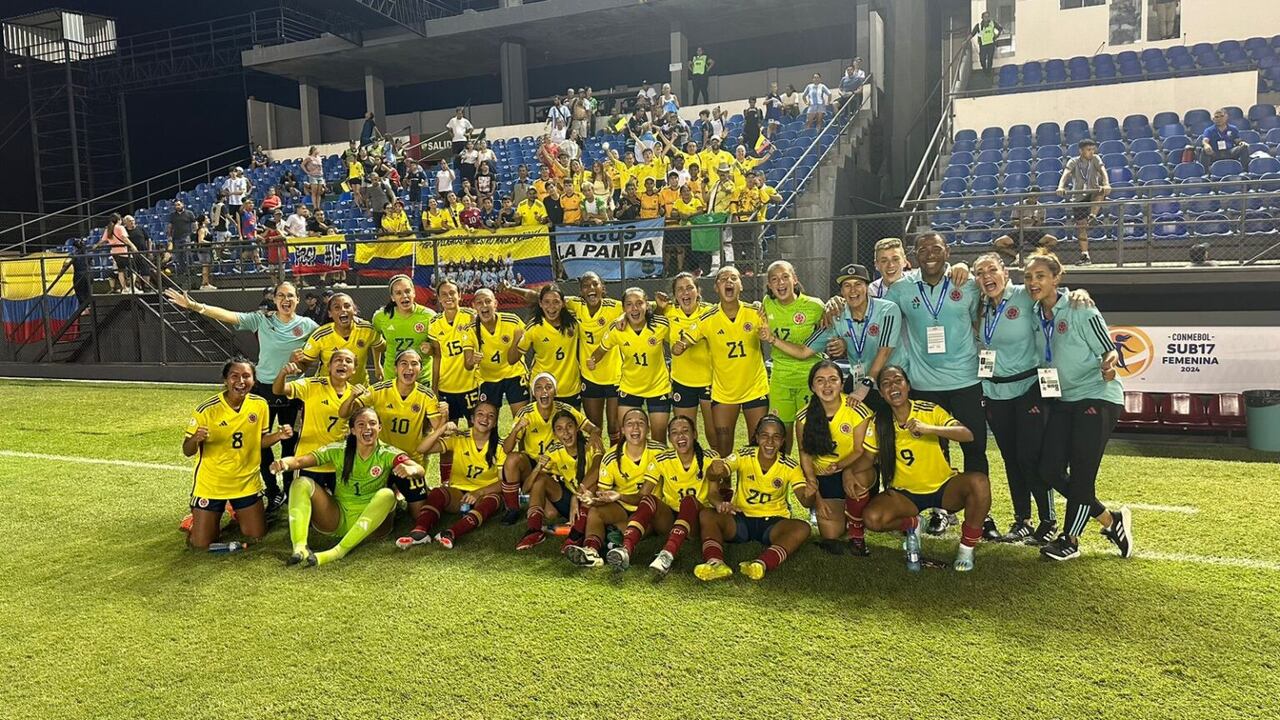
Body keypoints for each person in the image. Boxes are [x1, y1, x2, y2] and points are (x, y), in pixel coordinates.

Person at [165, 282, 318, 511]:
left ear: (298, 299)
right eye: (281, 296)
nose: (286, 300)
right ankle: (273, 492)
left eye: (291, 296)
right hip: (263, 391)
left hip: (292, 393)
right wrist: (195, 306)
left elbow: (322, 351)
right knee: (260, 444)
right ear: (275, 299)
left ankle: (290, 492)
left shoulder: (308, 325)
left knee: (290, 444)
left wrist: (305, 362)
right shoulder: (262, 320)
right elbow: (230, 316)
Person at [882, 233, 994, 537]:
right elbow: (877, 310)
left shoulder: (967, 284)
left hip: (966, 380)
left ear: (948, 252)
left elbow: (979, 319)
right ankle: (941, 512)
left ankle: (980, 514)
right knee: (935, 450)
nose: (929, 254)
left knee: (974, 448)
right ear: (913, 256)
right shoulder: (901, 288)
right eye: (922, 250)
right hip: (924, 382)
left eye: (936, 248)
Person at [1025, 251, 1133, 562]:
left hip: (1097, 395)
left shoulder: (1079, 307)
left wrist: (1109, 365)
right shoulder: (1034, 313)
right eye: (1029, 277)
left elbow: (1109, 349)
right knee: (1048, 468)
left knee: (1083, 473)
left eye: (1041, 276)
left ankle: (1070, 540)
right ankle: (1110, 521)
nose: (1034, 282)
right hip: (1064, 399)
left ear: (1056, 279)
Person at [856, 366, 992, 572]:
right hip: (905, 494)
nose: (893, 385)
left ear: (908, 386)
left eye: (898, 380)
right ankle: (912, 523)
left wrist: (929, 429)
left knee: (979, 482)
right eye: (886, 383)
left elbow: (967, 434)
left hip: (943, 488)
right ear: (882, 394)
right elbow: (867, 458)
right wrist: (849, 473)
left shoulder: (928, 409)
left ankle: (966, 549)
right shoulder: (879, 422)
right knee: (873, 518)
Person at [970, 254, 1060, 543]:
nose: (987, 277)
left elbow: (1054, 295)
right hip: (995, 392)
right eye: (980, 272)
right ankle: (1022, 519)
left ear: (1005, 272)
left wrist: (1078, 296)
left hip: (1028, 388)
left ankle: (1049, 521)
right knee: (1011, 458)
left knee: (1029, 456)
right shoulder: (980, 304)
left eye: (992, 270)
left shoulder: (1024, 296)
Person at [274, 407, 425, 566]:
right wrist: (284, 463)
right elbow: (299, 461)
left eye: (372, 423)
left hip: (372, 526)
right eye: (361, 424)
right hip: (337, 518)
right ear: (352, 430)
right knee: (300, 483)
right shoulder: (339, 449)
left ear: (379, 428)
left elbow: (419, 470)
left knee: (387, 494)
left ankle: (338, 551)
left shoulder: (388, 453)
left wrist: (411, 469)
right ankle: (299, 547)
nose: (367, 428)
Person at [182, 358, 293, 549]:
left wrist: (279, 436)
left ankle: (235, 510)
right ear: (225, 380)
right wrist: (195, 439)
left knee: (257, 535)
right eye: (234, 376)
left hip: (245, 481)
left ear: (253, 380)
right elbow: (187, 450)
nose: (241, 381)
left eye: (246, 376)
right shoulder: (207, 410)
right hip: (212, 484)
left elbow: (259, 442)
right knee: (201, 544)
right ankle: (193, 520)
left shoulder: (260, 405)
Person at [693, 415, 814, 581]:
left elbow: (805, 501)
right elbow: (716, 474)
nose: (770, 442)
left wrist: (810, 494)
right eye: (765, 436)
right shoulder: (744, 455)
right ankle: (715, 563)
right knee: (707, 514)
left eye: (776, 437)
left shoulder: (790, 466)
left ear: (783, 440)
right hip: (741, 518)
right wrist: (715, 469)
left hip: (772, 523)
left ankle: (760, 564)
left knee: (802, 528)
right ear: (757, 437)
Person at [672, 266, 770, 458]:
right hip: (724, 393)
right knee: (722, 446)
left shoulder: (755, 312)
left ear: (741, 285)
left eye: (734, 278)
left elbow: (775, 324)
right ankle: (724, 487)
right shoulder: (707, 318)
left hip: (755, 388)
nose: (728, 282)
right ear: (716, 287)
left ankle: (752, 486)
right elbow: (689, 336)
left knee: (756, 443)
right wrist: (681, 345)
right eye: (723, 279)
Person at [397, 401, 506, 548]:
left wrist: (478, 492)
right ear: (472, 419)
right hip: (458, 494)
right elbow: (422, 449)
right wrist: (441, 429)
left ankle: (451, 533)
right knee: (438, 492)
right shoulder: (460, 437)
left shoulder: (500, 446)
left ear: (494, 423)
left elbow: (503, 483)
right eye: (480, 414)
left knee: (492, 500)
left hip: (484, 494)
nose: (485, 418)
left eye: (490, 416)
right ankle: (420, 532)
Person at [566, 408, 666, 568]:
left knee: (638, 518)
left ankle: (618, 540)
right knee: (595, 512)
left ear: (649, 429)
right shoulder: (611, 457)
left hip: (653, 513)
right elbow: (604, 496)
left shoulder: (661, 452)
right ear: (622, 430)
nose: (635, 428)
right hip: (623, 508)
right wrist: (592, 499)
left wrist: (618, 496)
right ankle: (591, 551)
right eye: (630, 424)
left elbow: (642, 497)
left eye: (640, 423)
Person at [795, 360, 875, 555]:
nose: (827, 385)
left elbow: (860, 452)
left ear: (842, 382)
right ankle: (842, 511)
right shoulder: (803, 416)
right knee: (831, 534)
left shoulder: (857, 410)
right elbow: (805, 454)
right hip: (823, 476)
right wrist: (817, 496)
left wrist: (845, 469)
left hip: (853, 468)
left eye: (833, 379)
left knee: (858, 480)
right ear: (812, 386)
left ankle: (856, 523)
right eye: (820, 381)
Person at [776, 263, 901, 387]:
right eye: (847, 285)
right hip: (860, 382)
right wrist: (771, 339)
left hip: (889, 382)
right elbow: (803, 352)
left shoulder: (887, 310)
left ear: (867, 287)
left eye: (858, 284)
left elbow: (884, 352)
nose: (853, 290)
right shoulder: (836, 316)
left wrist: (866, 384)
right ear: (841, 291)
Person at [500, 373, 600, 525]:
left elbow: (594, 429)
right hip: (534, 464)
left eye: (548, 387)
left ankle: (543, 498)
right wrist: (515, 430)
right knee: (513, 458)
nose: (544, 392)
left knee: (551, 513)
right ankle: (513, 508)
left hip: (555, 467)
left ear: (555, 391)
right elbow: (507, 449)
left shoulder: (565, 410)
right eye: (539, 388)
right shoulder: (526, 412)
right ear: (534, 393)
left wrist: (594, 435)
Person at [756, 260, 826, 451]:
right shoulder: (766, 304)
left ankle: (809, 479)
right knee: (780, 436)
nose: (780, 283)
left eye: (785, 277)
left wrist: (771, 339)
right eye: (774, 279)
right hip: (781, 379)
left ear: (794, 279)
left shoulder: (815, 306)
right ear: (769, 285)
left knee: (808, 435)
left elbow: (830, 329)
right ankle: (782, 477)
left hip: (809, 379)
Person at [592, 287, 673, 443]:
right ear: (623, 308)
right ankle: (630, 467)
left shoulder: (661, 325)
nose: (634, 308)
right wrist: (593, 360)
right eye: (629, 304)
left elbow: (677, 337)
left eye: (639, 303)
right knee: (627, 436)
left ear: (647, 306)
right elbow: (602, 349)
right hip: (630, 387)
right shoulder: (617, 329)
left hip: (658, 387)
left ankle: (657, 467)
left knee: (659, 439)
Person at [517, 409, 604, 551]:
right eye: (559, 429)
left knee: (592, 486)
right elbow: (526, 489)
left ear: (577, 428)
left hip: (592, 502)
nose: (566, 432)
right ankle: (534, 531)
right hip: (571, 505)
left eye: (569, 426)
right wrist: (538, 467)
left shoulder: (591, 443)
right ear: (555, 434)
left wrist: (576, 496)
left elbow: (596, 470)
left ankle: (576, 534)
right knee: (541, 480)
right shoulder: (554, 450)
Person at [274, 349, 358, 494]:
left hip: (338, 462)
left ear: (354, 370)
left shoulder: (356, 393)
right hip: (307, 460)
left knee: (338, 508)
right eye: (338, 360)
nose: (343, 364)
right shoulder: (311, 385)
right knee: (306, 506)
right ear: (329, 366)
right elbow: (278, 390)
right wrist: (283, 374)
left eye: (348, 361)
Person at [656, 272, 716, 444]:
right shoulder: (668, 312)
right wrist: (659, 308)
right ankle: (688, 469)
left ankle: (716, 467)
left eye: (690, 288)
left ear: (698, 290)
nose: (685, 293)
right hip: (682, 381)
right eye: (680, 289)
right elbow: (643, 311)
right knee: (685, 432)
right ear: (674, 295)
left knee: (713, 432)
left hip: (709, 380)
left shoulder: (709, 311)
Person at [297, 292, 384, 386]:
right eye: (337, 307)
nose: (343, 310)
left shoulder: (367, 329)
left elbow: (378, 345)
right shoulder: (320, 336)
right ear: (330, 313)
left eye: (347, 306)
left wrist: (378, 365)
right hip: (327, 389)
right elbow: (305, 363)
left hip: (359, 388)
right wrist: (295, 364)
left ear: (354, 310)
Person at [470, 288, 529, 417]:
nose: (484, 305)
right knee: (488, 423)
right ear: (474, 306)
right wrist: (472, 358)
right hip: (487, 377)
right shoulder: (471, 329)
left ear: (495, 304)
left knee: (521, 418)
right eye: (479, 302)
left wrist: (518, 341)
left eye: (488, 301)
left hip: (514, 373)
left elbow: (527, 338)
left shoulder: (512, 321)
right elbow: (467, 360)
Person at [429, 279, 479, 426]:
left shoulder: (471, 316)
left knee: (475, 430)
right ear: (438, 298)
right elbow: (437, 356)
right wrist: (434, 386)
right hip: (446, 386)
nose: (448, 297)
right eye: (443, 294)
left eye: (452, 293)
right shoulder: (434, 323)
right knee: (448, 433)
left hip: (470, 385)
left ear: (460, 295)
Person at [371, 275, 436, 386]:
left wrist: (430, 350)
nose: (404, 296)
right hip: (392, 376)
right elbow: (375, 342)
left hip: (421, 378)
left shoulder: (429, 316)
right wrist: (377, 366)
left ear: (414, 293)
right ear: (392, 297)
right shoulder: (381, 317)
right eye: (398, 293)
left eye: (407, 291)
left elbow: (438, 350)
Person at [1055, 139, 1110, 265]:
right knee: (1081, 227)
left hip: (1092, 192)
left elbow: (1103, 171)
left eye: (1093, 149)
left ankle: (1092, 216)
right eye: (1088, 150)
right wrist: (1060, 187)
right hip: (1079, 197)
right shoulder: (1073, 161)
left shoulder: (1096, 159)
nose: (1091, 152)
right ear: (1081, 151)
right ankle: (1085, 255)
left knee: (1100, 191)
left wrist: (1106, 184)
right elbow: (1066, 174)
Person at [994, 188, 1057, 266]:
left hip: (1033, 232)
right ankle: (1017, 256)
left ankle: (1037, 255)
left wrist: (1035, 221)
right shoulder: (1018, 204)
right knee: (998, 242)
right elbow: (1013, 221)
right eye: (1032, 196)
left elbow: (1040, 223)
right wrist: (1023, 221)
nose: (1033, 198)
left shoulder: (1041, 207)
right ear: (1028, 195)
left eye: (1036, 196)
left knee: (1053, 240)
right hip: (1018, 231)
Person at [96, 213, 138, 294]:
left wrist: (96, 246)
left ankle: (124, 289)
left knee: (120, 271)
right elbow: (124, 238)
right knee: (134, 271)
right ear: (119, 220)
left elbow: (103, 240)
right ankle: (132, 288)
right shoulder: (120, 227)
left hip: (115, 254)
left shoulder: (108, 229)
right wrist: (133, 246)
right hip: (124, 252)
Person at [970, 11, 1004, 75]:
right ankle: (984, 69)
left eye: (988, 16)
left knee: (990, 58)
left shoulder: (992, 23)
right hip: (983, 45)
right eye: (985, 16)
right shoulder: (978, 26)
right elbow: (972, 34)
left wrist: (996, 36)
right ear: (982, 17)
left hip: (991, 44)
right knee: (982, 59)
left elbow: (1000, 29)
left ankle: (988, 72)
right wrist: (966, 41)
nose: (987, 18)